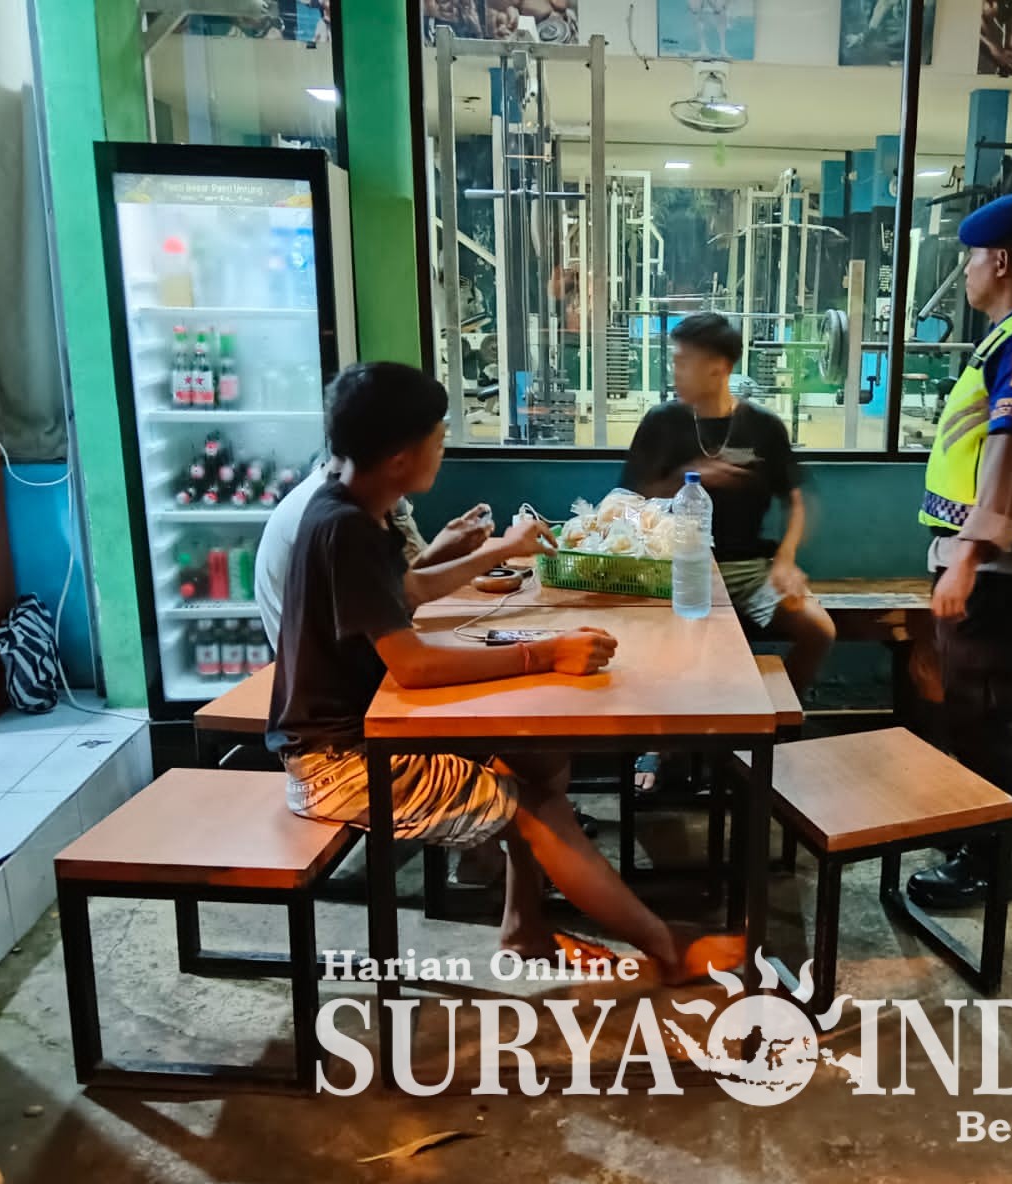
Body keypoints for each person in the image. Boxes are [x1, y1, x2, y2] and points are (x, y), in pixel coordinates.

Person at [267, 362, 742, 981]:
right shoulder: (344, 527)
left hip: (370, 730)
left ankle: (524, 928)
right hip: (340, 763)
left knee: (541, 759)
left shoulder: (355, 506)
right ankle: (668, 951)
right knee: (533, 809)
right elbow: (412, 665)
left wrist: (499, 550)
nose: (443, 447)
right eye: (439, 437)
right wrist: (542, 654)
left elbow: (409, 591)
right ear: (402, 458)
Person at [906, 192, 1012, 911]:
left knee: (983, 713)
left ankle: (989, 861)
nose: (969, 271)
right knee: (984, 705)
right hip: (993, 565)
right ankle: (989, 833)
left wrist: (968, 558)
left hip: (997, 571)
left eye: (973, 258)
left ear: (1001, 260)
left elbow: (1011, 457)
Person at [621, 314, 834, 690]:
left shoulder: (764, 426)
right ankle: (684, 725)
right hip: (673, 571)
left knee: (819, 630)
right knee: (671, 649)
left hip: (748, 571)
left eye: (683, 362)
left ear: (718, 368)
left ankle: (775, 711)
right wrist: (686, 477)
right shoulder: (661, 423)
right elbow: (628, 503)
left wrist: (785, 561)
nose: (674, 371)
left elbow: (797, 500)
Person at [256, 456, 495, 649]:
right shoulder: (345, 521)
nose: (440, 456)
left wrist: (443, 551)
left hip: (345, 655)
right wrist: (501, 552)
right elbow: (408, 605)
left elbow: (394, 587)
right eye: (437, 441)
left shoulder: (348, 493)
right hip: (339, 677)